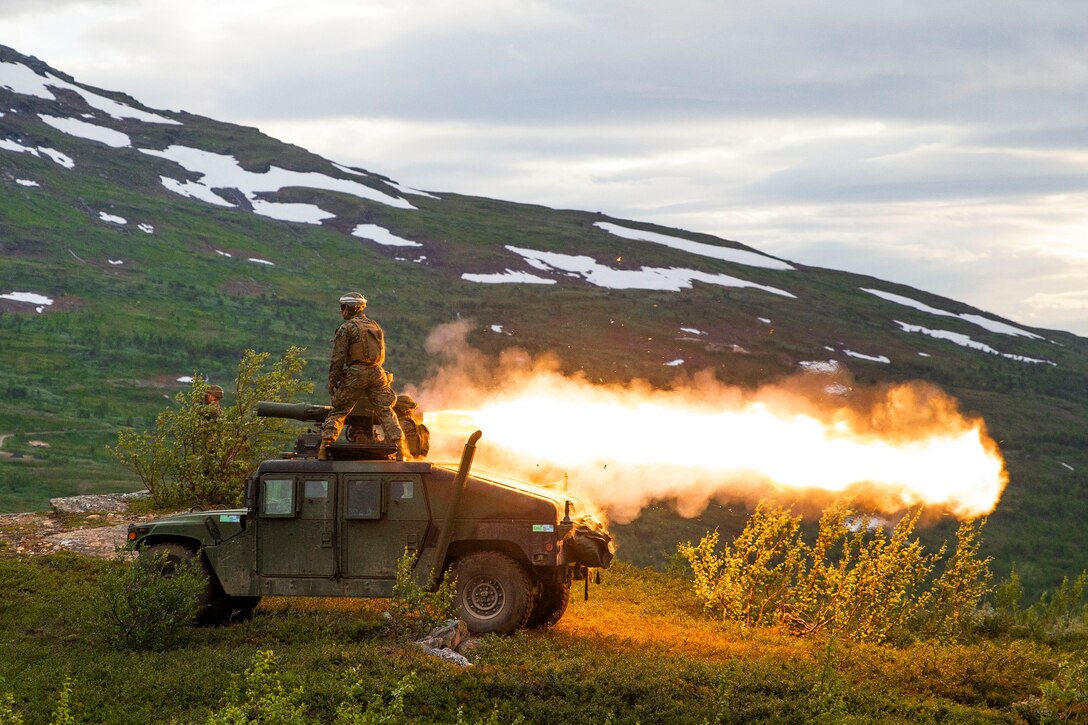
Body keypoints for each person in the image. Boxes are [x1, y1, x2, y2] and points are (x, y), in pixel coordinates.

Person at [320, 292, 407, 460]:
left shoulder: (347, 328)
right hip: (377, 372)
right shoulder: (374, 326)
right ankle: (401, 450)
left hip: (356, 373)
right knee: (385, 410)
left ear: (349, 308)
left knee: (340, 410)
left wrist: (333, 381)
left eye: (342, 308)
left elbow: (338, 358)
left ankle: (324, 448)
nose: (341, 311)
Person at [394, 393, 430, 459]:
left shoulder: (400, 424)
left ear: (399, 409)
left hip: (403, 463)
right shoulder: (420, 425)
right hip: (419, 462)